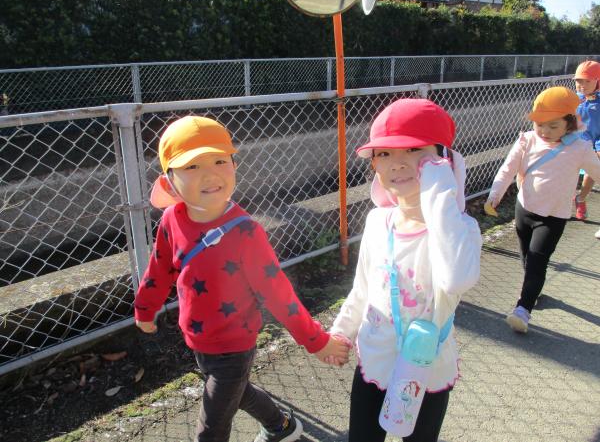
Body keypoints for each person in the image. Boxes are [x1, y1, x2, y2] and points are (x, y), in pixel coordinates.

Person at [133, 116, 349, 442]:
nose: (210, 174)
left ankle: (279, 428)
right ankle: (282, 427)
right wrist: (145, 308)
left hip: (234, 345)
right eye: (192, 166)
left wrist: (316, 341)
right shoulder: (171, 219)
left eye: (220, 161)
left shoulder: (245, 232)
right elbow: (159, 269)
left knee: (211, 429)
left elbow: (279, 295)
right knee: (239, 391)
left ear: (234, 165)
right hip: (198, 339)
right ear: (169, 181)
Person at [328, 99, 482, 442]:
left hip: (427, 369)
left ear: (442, 161)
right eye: (383, 153)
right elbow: (363, 288)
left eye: (414, 150)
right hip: (375, 360)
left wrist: (440, 191)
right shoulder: (377, 221)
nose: (396, 163)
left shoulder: (460, 230)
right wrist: (342, 332)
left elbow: (457, 279)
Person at [486, 86, 600, 333]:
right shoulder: (527, 140)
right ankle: (532, 289)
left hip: (553, 217)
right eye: (540, 125)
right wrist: (495, 194)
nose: (545, 132)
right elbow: (507, 169)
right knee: (526, 257)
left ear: (569, 123)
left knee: (538, 260)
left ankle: (523, 309)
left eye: (553, 126)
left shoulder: (580, 148)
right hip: (524, 209)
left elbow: (598, 172)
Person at [572, 61, 600, 235]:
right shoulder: (573, 99)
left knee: (594, 166)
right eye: (578, 81)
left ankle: (581, 198)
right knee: (568, 171)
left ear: (597, 81)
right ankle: (574, 200)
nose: (582, 85)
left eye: (587, 81)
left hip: (597, 141)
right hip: (576, 141)